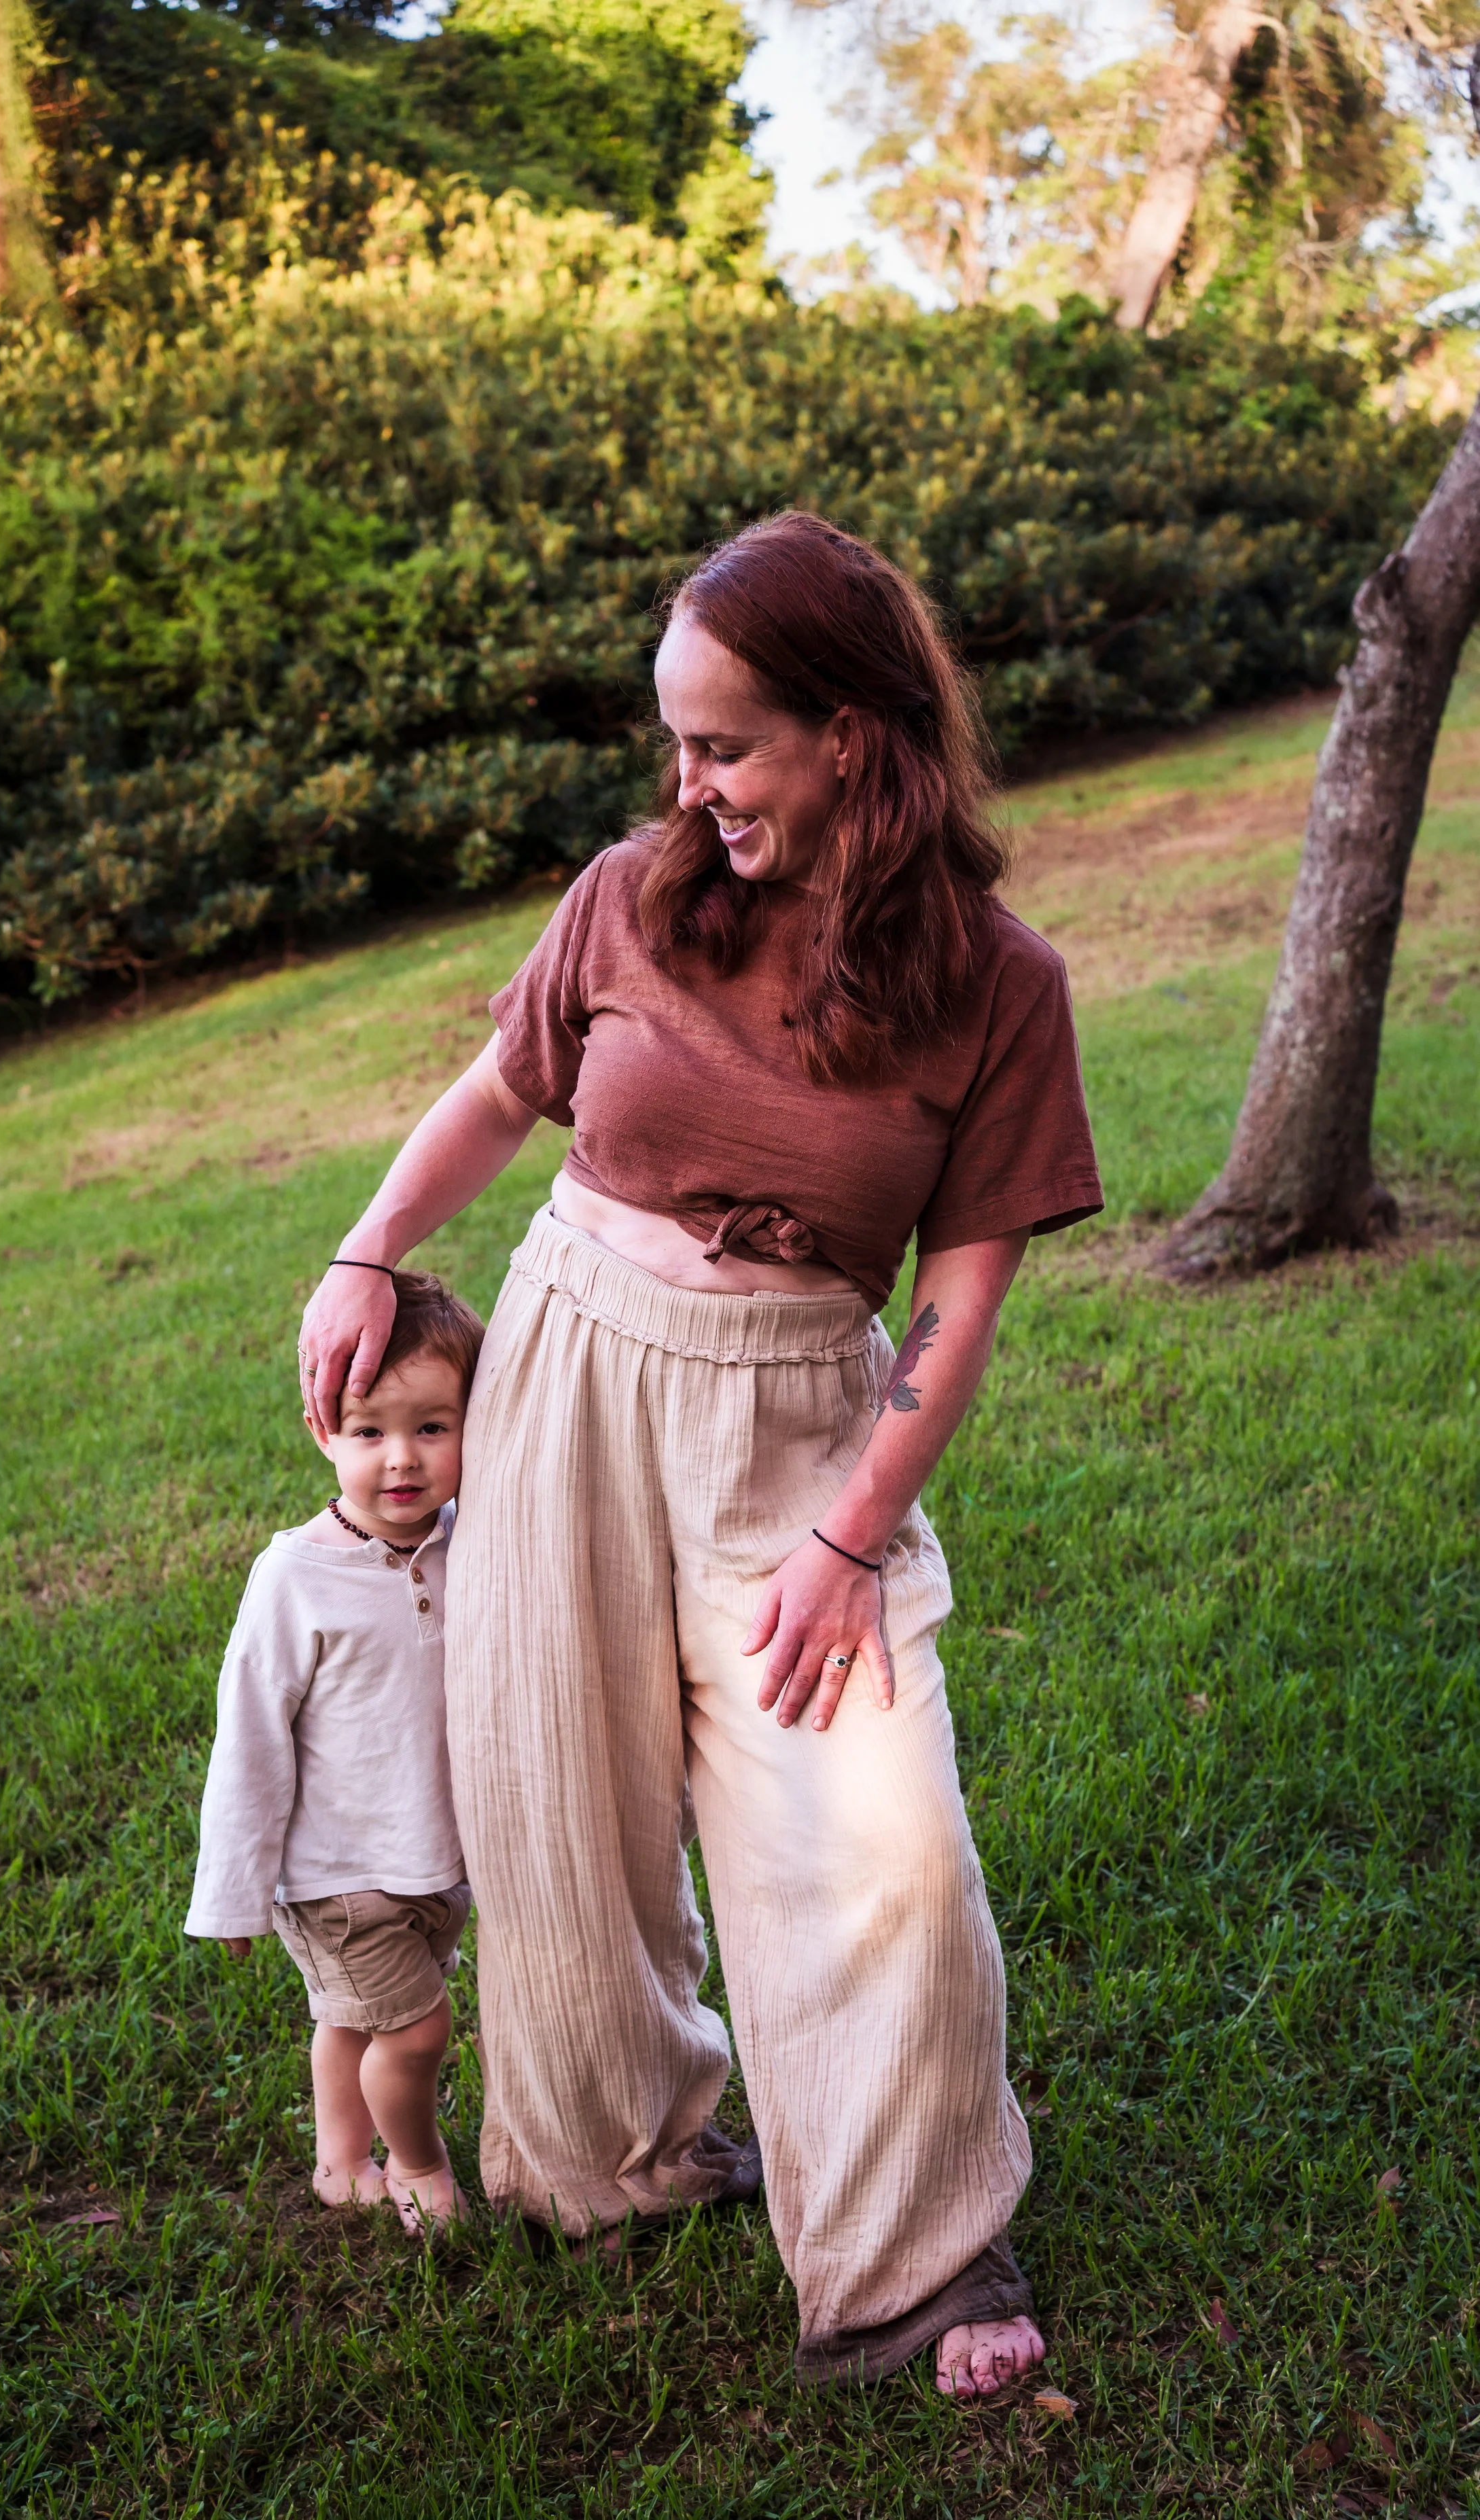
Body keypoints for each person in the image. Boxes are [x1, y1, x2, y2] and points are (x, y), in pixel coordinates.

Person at [298, 512, 1104, 2392]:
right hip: (569, 1359)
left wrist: (847, 1537)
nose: (689, 783)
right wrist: (368, 1244)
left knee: (874, 1833)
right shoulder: (634, 893)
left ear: (852, 735)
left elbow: (958, 1305)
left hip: (791, 1417)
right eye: (675, 742)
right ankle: (621, 2149)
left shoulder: (998, 983)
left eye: (725, 743)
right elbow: (508, 1085)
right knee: (555, 1795)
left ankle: (908, 2259)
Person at [187, 1271, 483, 2236]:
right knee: (418, 2026)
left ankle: (338, 2160)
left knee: (350, 2021)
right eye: (369, 1433)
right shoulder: (294, 1577)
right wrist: (233, 1890)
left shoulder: (466, 1544)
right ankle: (422, 2166)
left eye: (433, 1428)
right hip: (336, 1874)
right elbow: (251, 1741)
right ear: (322, 1431)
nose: (402, 1460)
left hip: (432, 1858)